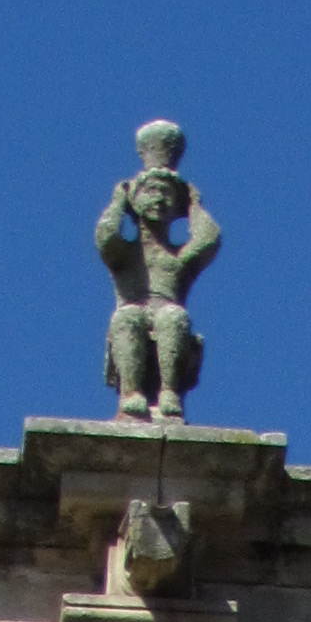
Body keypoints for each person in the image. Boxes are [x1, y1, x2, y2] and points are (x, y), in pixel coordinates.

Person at [96, 120, 222, 423]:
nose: (159, 199)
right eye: (151, 191)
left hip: (168, 317)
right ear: (135, 200)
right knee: (129, 316)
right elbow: (106, 237)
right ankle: (131, 394)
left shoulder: (178, 258)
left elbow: (209, 239)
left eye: (167, 194)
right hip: (132, 316)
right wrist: (117, 202)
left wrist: (194, 206)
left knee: (173, 317)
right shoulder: (127, 254)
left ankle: (169, 392)